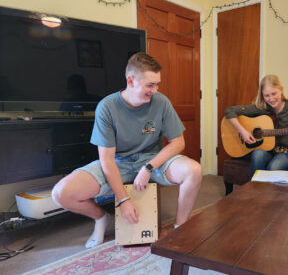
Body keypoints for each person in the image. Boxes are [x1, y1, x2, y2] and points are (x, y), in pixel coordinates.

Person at [52, 53, 202, 248]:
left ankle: (180, 226)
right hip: (117, 162)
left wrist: (148, 167)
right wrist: (123, 200)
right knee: (61, 193)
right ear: (130, 81)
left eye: (157, 84)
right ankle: (101, 218)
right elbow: (106, 160)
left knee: (194, 171)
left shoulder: (161, 101)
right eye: (150, 85)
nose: (155, 90)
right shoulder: (107, 107)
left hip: (151, 159)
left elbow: (177, 142)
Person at [225, 74, 288, 179]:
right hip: (267, 150)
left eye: (274, 93)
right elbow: (230, 111)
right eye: (267, 95)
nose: (271, 99)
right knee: (257, 154)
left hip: (287, 152)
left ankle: (267, 194)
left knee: (273, 167)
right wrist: (242, 131)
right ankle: (254, 190)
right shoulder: (261, 108)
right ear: (262, 95)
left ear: (281, 90)